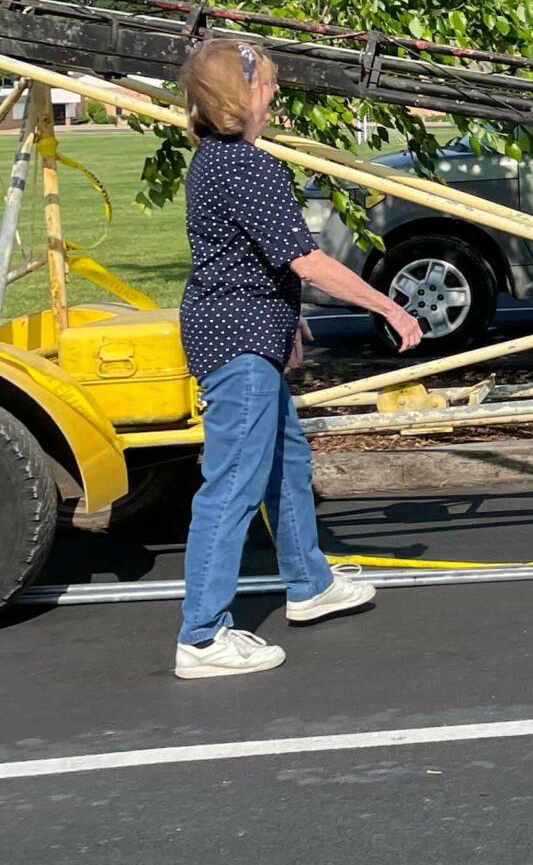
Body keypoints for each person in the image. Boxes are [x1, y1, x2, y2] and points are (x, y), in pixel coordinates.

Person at [174, 35, 424, 679]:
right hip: (237, 339)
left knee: (286, 461)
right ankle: (201, 637)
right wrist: (388, 306)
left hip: (244, 326)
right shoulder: (245, 167)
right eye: (267, 83)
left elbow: (249, 261)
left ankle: (309, 584)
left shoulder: (218, 160)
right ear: (242, 92)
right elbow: (304, 259)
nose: (276, 91)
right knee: (232, 482)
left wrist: (285, 322)